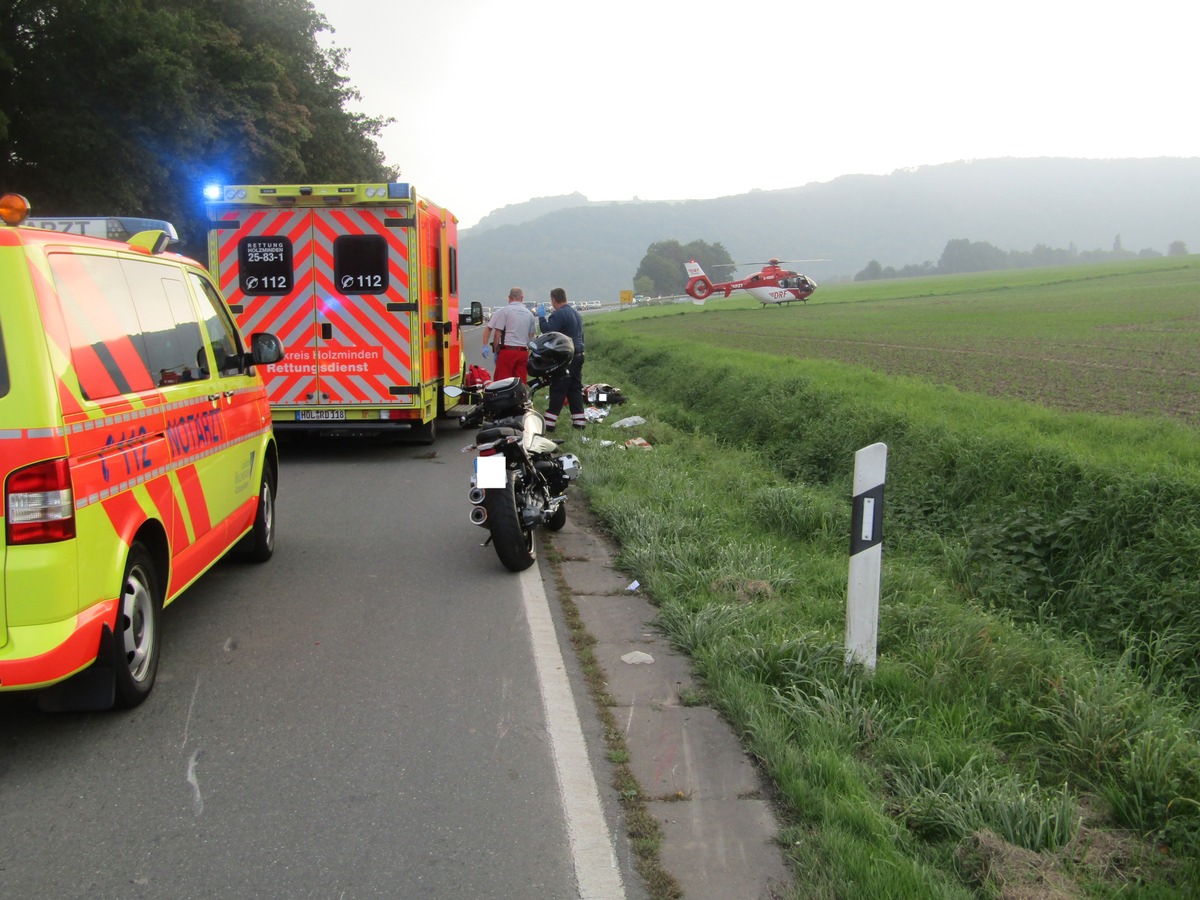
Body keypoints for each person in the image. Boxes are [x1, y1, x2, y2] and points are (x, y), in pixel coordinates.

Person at [536, 287, 586, 430]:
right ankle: (579, 422)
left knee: (558, 387)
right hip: (579, 354)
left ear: (553, 299)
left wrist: (541, 317)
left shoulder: (559, 314)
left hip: (567, 357)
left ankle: (549, 424)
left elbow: (547, 331)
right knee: (574, 388)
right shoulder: (575, 313)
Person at [482, 287, 537, 383]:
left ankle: (503, 397)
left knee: (502, 382)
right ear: (522, 298)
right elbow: (531, 337)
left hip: (508, 351)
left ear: (509, 297)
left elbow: (497, 333)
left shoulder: (504, 311)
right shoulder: (529, 314)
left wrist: (495, 350)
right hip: (523, 352)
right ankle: (521, 397)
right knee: (520, 382)